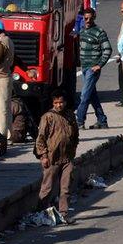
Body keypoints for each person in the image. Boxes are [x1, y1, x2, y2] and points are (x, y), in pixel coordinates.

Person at [35, 91, 79, 226]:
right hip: (52, 158)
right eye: (56, 103)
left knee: (65, 188)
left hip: (67, 158)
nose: (59, 105)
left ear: (65, 102)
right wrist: (43, 156)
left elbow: (75, 134)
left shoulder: (70, 115)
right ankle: (40, 213)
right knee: (47, 187)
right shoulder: (48, 117)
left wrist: (73, 150)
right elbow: (41, 138)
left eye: (61, 102)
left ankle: (64, 214)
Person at [75, 8, 111, 130]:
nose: (88, 21)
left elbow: (107, 49)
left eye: (90, 18)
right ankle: (102, 120)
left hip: (93, 69)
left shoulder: (99, 32)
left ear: (94, 17)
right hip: (84, 68)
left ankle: (79, 121)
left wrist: (99, 65)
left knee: (84, 96)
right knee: (92, 95)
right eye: (86, 18)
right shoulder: (82, 31)